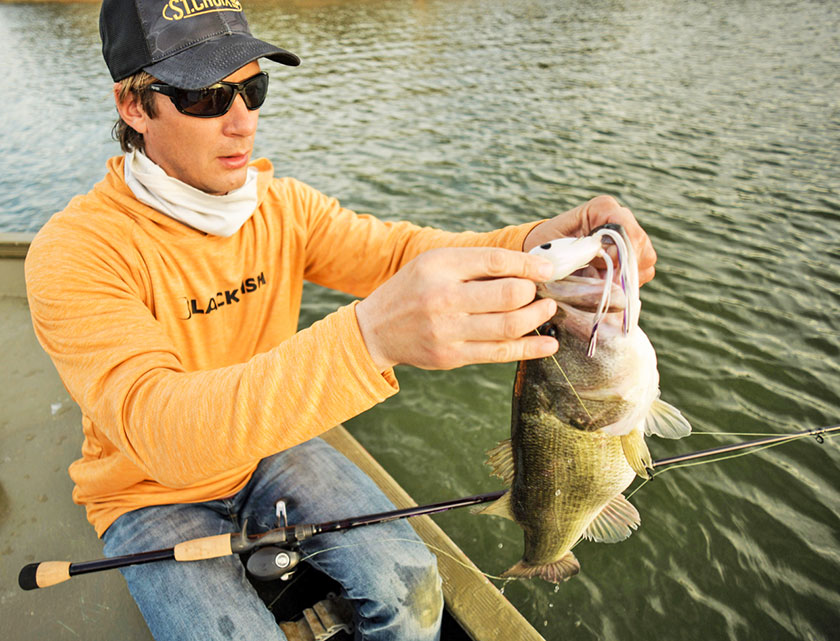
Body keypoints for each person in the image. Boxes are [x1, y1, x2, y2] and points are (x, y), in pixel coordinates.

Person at [24, 1, 657, 640]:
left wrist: (538, 245)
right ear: (134, 105)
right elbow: (162, 431)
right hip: (147, 490)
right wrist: (370, 338)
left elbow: (396, 253)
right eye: (206, 97)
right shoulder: (75, 253)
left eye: (254, 88)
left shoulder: (282, 207)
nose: (243, 124)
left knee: (415, 589)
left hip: (270, 445)